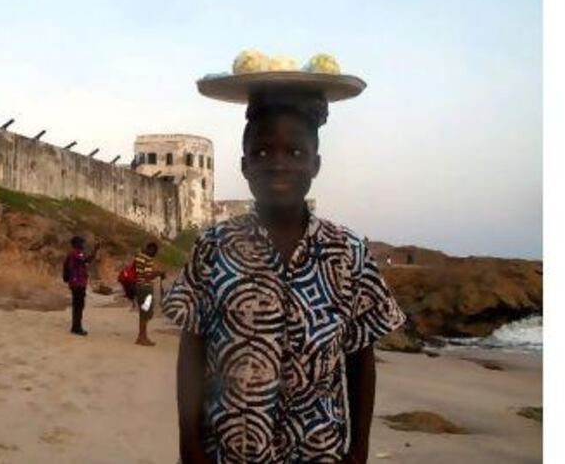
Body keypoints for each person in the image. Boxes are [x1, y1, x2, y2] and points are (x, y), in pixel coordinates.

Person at [163, 66, 406, 463]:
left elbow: (361, 359)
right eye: (261, 152)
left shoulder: (348, 252)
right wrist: (188, 443)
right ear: (244, 166)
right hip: (229, 451)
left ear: (316, 164)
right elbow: (192, 349)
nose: (277, 163)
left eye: (295, 152)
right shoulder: (214, 247)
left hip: (318, 449)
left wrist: (358, 450)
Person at [64, 235, 101, 336]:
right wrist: (95, 250)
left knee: (78, 305)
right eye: (81, 242)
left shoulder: (76, 253)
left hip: (78, 282)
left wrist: (95, 251)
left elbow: (86, 261)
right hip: (77, 283)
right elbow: (86, 261)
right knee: (78, 305)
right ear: (76, 244)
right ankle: (76, 327)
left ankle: (76, 326)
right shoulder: (75, 254)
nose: (83, 244)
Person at [133, 241, 166, 346]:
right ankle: (142, 337)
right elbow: (147, 276)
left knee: (144, 312)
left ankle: (142, 336)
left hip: (139, 286)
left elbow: (140, 271)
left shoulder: (138, 257)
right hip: (145, 288)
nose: (154, 254)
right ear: (151, 249)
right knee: (146, 313)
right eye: (154, 252)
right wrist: (158, 273)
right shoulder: (147, 259)